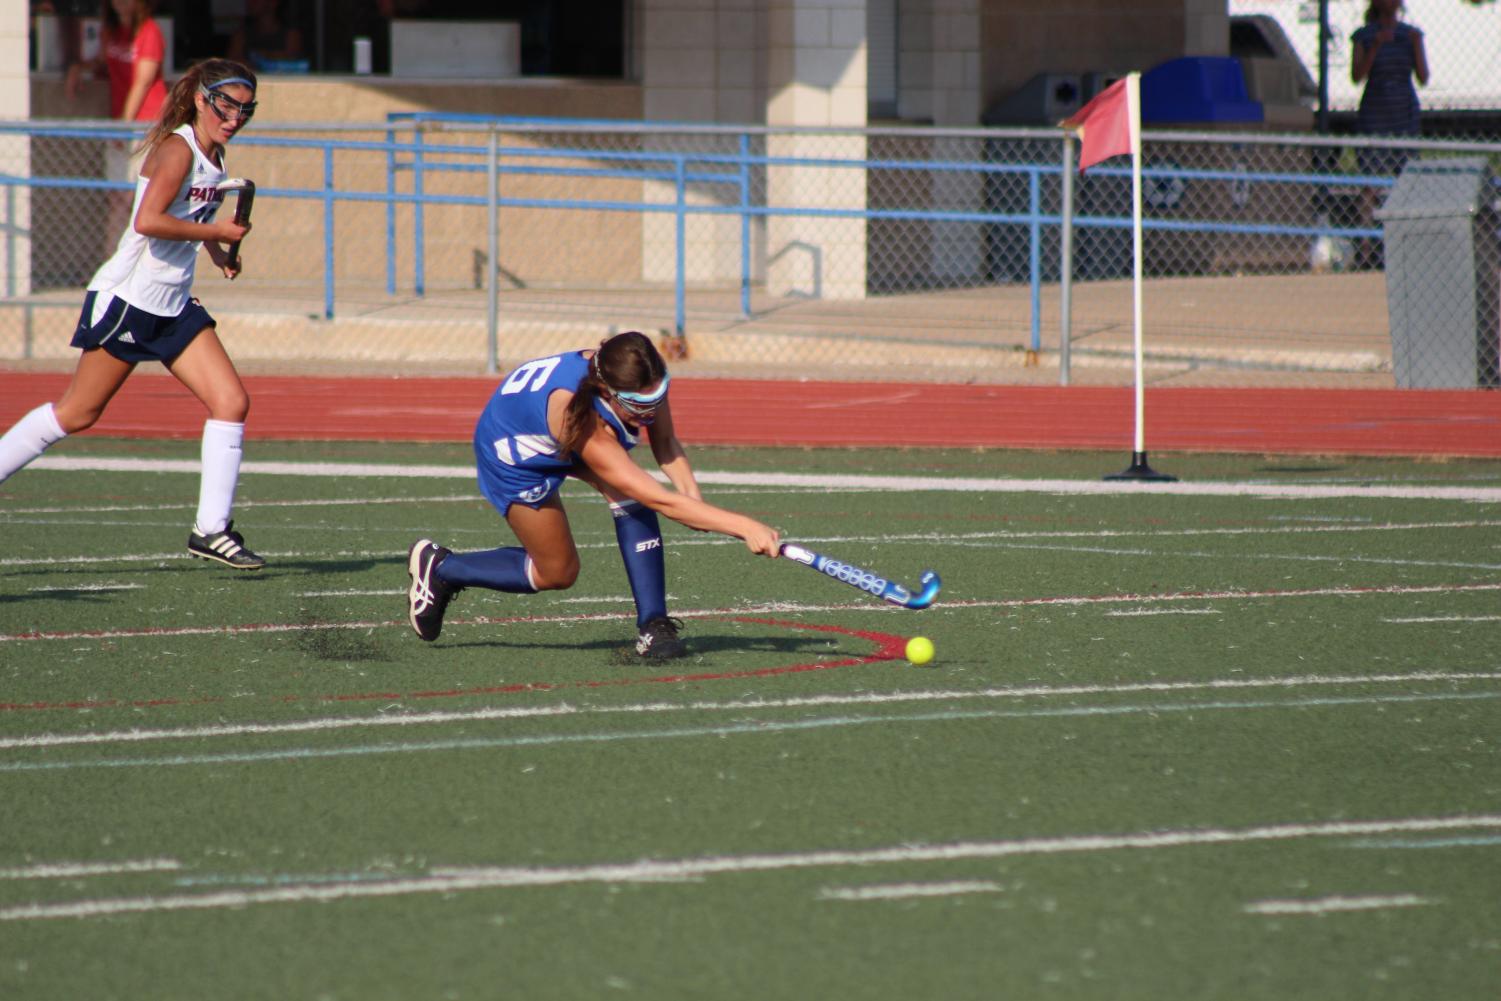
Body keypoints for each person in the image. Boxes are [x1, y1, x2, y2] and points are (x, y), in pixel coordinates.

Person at [0, 59, 264, 570]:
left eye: (244, 109)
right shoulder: (176, 150)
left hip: (173, 304)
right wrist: (215, 236)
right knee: (77, 413)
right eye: (226, 105)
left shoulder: (216, 155)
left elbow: (191, 218)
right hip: (130, 301)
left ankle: (210, 530)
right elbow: (148, 221)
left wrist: (219, 254)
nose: (234, 117)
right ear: (200, 100)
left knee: (231, 401)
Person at [407, 331, 782, 659]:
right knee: (557, 572)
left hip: (560, 435)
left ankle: (654, 625)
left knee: (629, 497)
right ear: (607, 392)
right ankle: (442, 569)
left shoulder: (638, 374)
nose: (650, 411)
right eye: (639, 406)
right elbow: (660, 500)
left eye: (659, 397)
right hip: (516, 453)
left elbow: (665, 441)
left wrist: (693, 497)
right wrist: (742, 526)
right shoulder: (580, 415)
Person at [1350, 0, 1429, 266]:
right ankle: (1366, 249)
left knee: (1405, 179)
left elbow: (1423, 76)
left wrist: (1417, 44)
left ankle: (1405, 246)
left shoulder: (1410, 34)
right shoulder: (1364, 36)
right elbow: (1357, 75)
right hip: (1375, 113)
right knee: (1370, 183)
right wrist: (1376, 46)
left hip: (1403, 114)